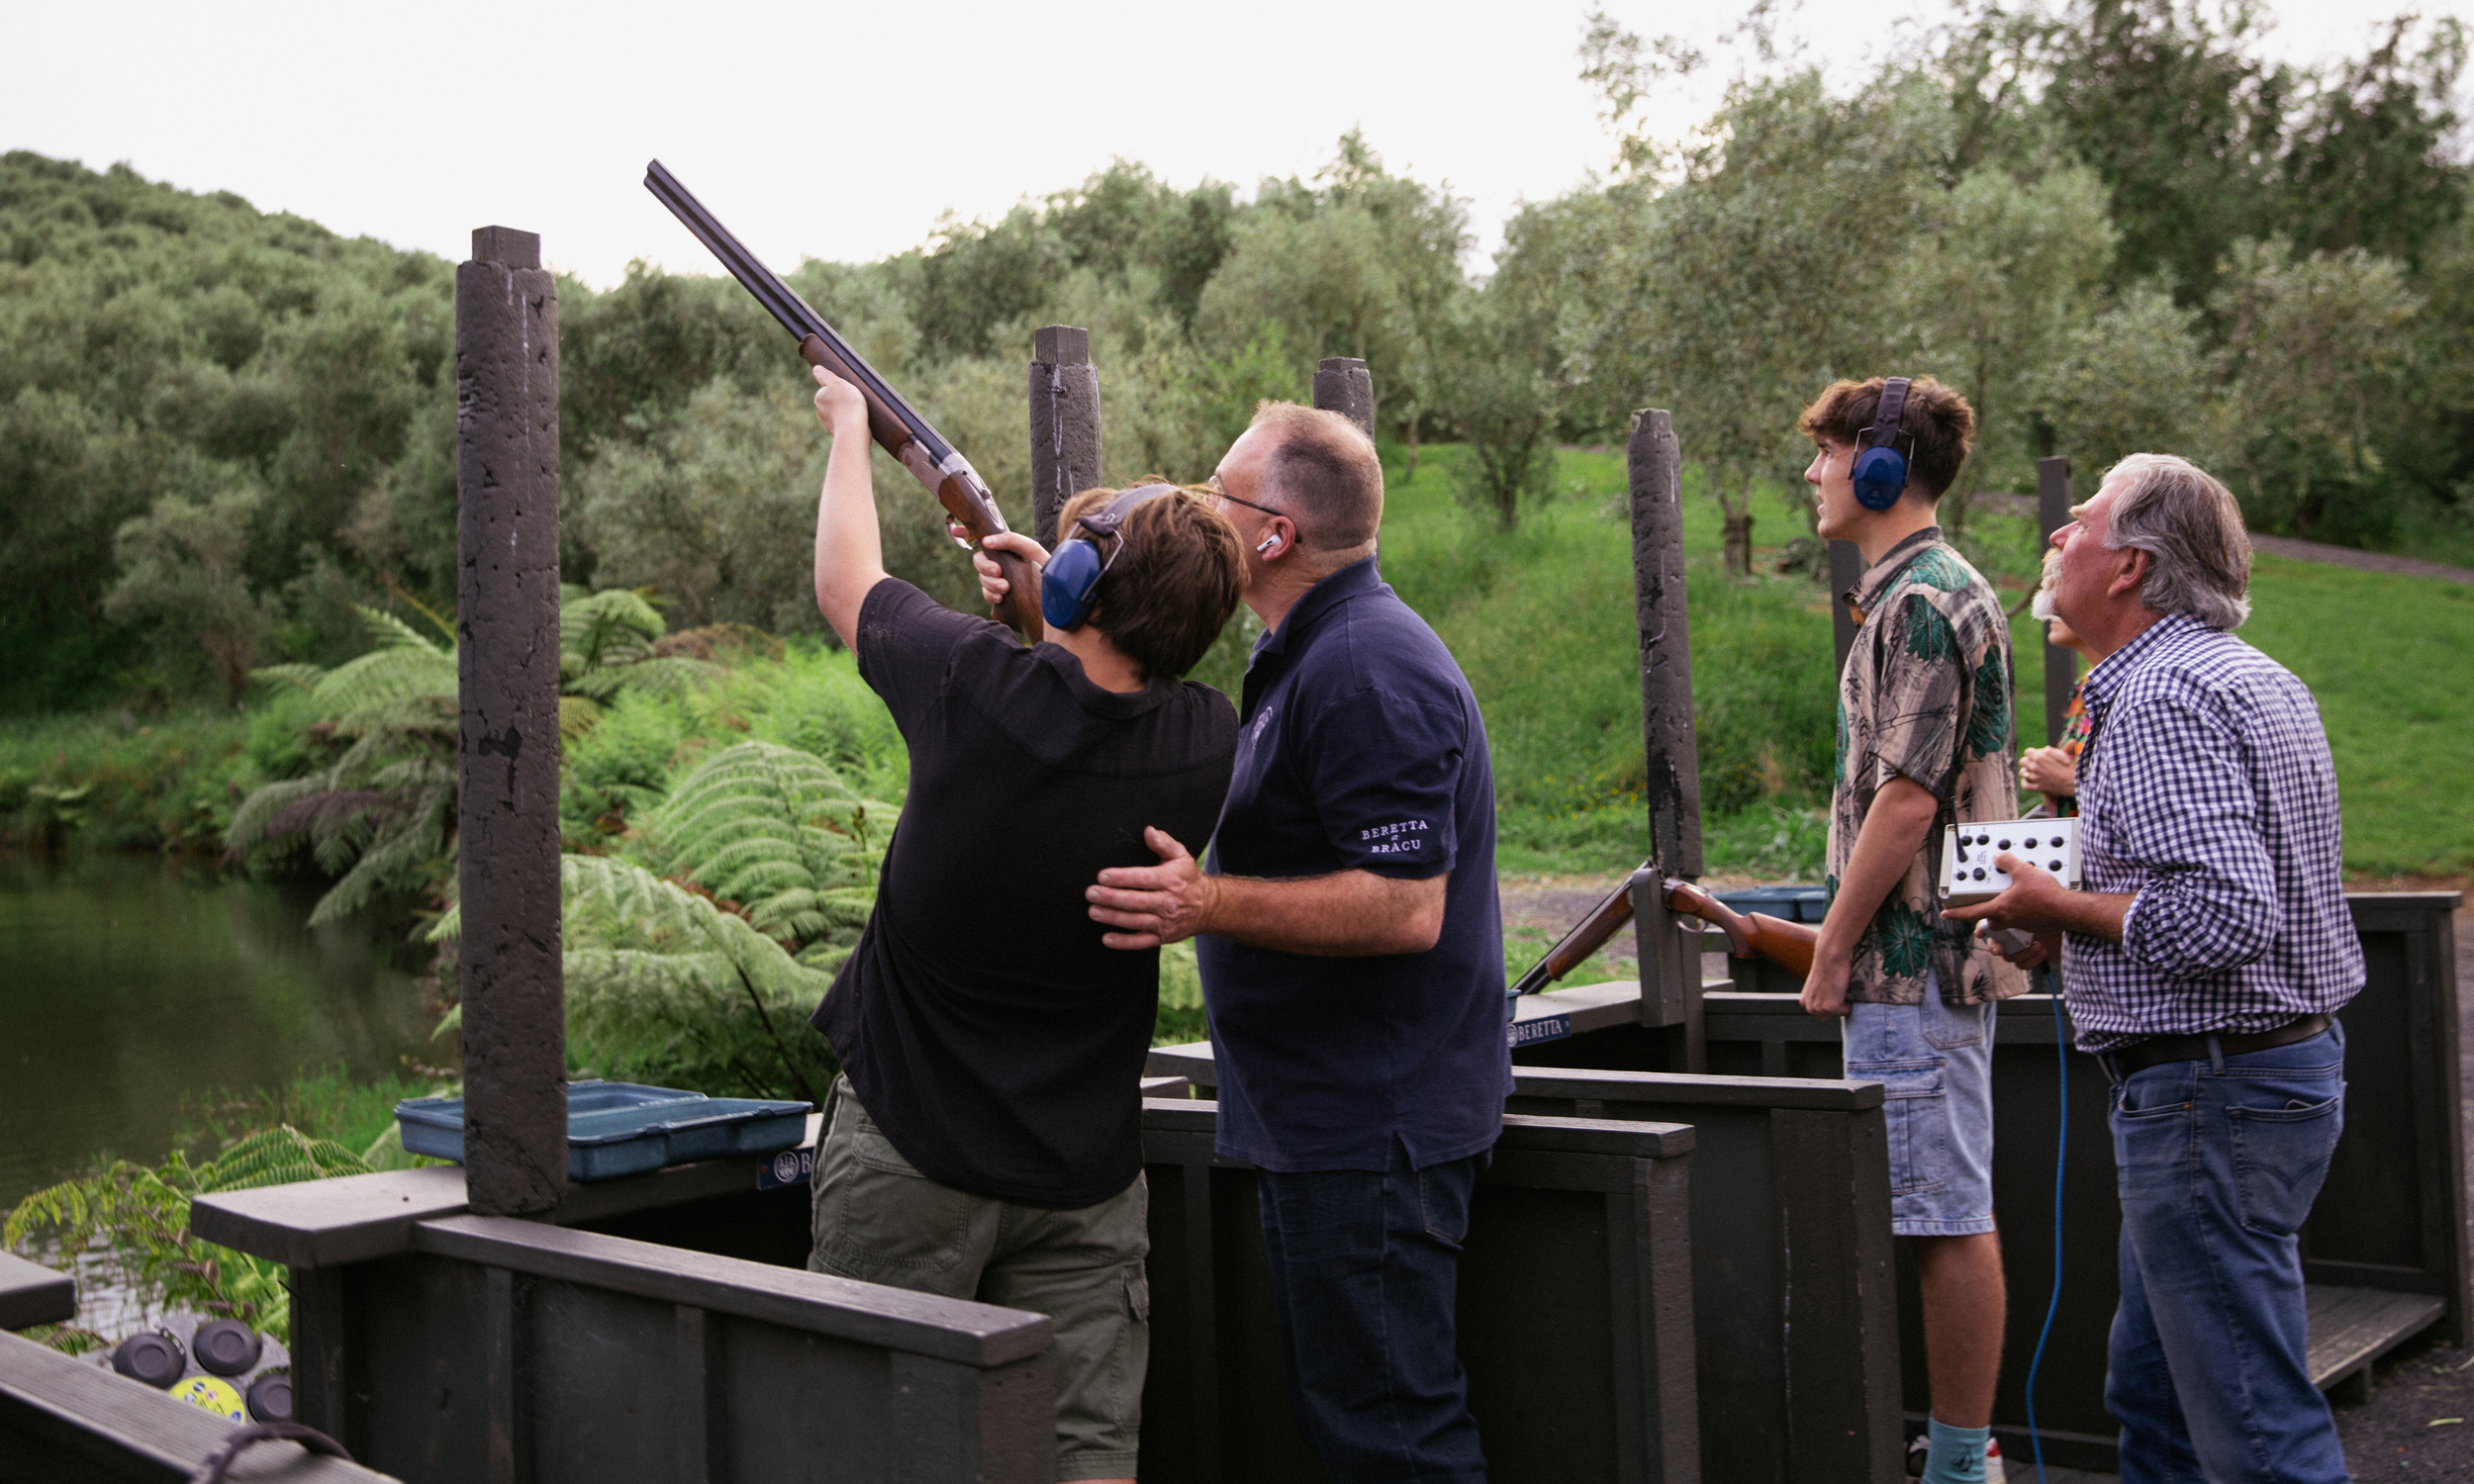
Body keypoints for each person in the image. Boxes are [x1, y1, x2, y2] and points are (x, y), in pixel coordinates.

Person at [999, 401, 1510, 1484]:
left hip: (1370, 1125)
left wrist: (1207, 904)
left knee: (1393, 1441)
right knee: (1364, 1420)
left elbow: (1406, 904)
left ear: (1272, 534)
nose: (1189, 507)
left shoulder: (1366, 667)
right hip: (1335, 1116)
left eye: (1213, 494)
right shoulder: (1314, 650)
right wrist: (1055, 600)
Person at [802, 363, 1246, 1484]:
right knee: (1088, 1466)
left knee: (872, 1448)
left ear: (1082, 585)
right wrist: (1053, 608)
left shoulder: (968, 686)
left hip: (909, 1159)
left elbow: (846, 580)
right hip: (1085, 1190)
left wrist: (849, 426)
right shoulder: (1206, 740)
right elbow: (1098, 697)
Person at [1947, 454, 2363, 1484]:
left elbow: (2225, 915)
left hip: (2208, 1097)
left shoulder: (2158, 697)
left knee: (2255, 1433)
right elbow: (2220, 892)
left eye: (2076, 523)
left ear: (2128, 566)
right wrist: (2065, 924)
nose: (2054, 538)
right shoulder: (2247, 674)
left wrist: (2054, 907)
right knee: (2158, 1397)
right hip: (2259, 1080)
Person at [1795, 376, 2026, 1484]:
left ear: (1880, 469)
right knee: (1939, 1202)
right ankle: (1957, 1448)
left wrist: (1832, 945)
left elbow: (1905, 801)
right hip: (1925, 964)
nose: (1813, 473)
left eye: (1829, 453)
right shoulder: (1910, 593)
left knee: (1945, 1212)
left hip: (1911, 963)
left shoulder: (1924, 600)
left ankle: (1956, 1462)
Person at [2020, 550, 2096, 815]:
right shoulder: (2086, 687)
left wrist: (2070, 782)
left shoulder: (2141, 686)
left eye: (2059, 587)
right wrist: (2048, 779)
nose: (2047, 605)